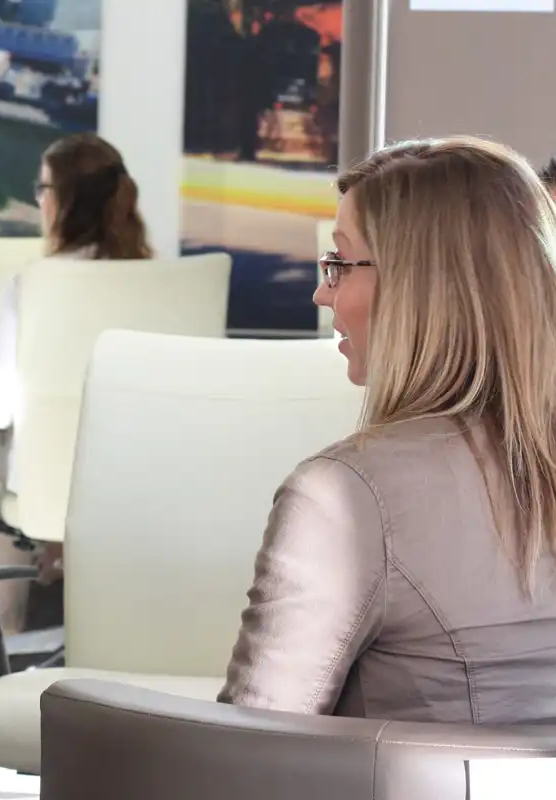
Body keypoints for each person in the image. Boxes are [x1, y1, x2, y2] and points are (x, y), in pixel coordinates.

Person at [219, 136, 556, 723]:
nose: (322, 291)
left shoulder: (346, 496)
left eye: (341, 263)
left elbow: (249, 749)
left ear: (424, 286)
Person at [0, 132, 154, 661]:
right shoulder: (163, 281)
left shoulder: (31, 283)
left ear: (62, 201)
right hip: (143, 478)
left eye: (41, 189)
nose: (39, 201)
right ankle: (78, 575)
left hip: (49, 477)